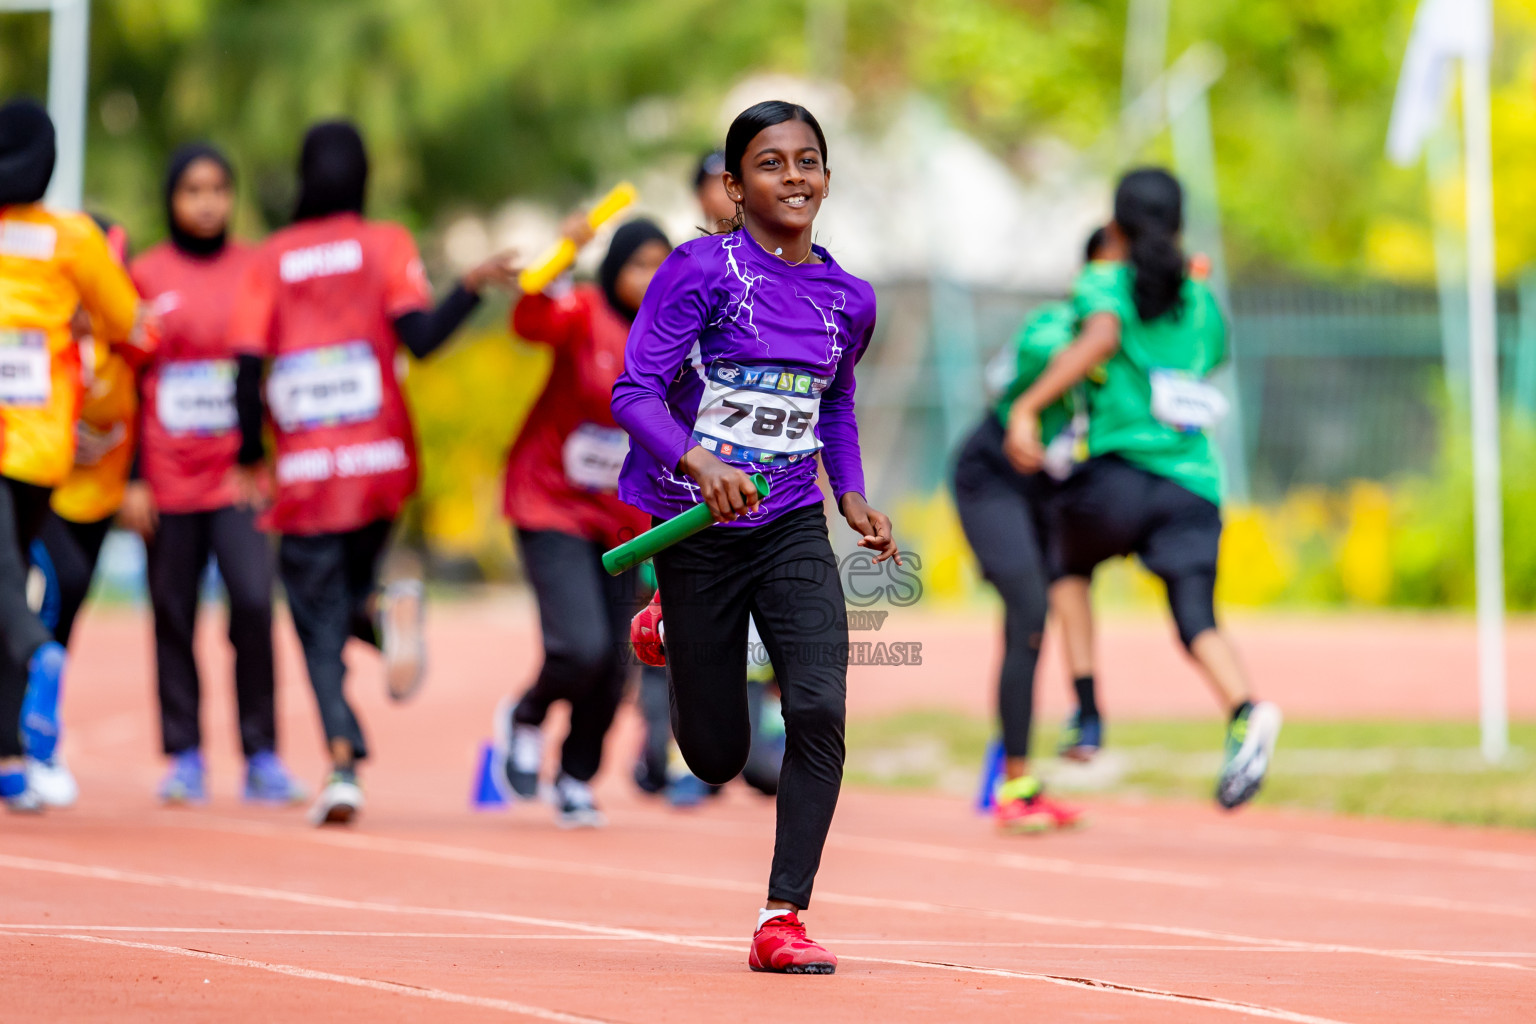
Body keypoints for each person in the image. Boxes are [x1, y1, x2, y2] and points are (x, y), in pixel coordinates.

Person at [613, 100, 896, 974]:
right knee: (714, 756)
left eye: (809, 160)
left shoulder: (848, 299)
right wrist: (699, 463)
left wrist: (849, 492)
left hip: (787, 528)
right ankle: (664, 621)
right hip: (692, 528)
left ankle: (784, 916)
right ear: (735, 187)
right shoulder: (699, 272)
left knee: (817, 707)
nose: (796, 176)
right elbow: (632, 393)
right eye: (772, 164)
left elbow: (835, 401)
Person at [229, 120, 516, 826]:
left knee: (315, 623)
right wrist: (471, 286)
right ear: (362, 177)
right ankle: (385, 617)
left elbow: (244, 363)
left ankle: (341, 760)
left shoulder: (272, 258)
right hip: (381, 464)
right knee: (345, 595)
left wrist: (247, 456)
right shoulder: (385, 244)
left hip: (307, 472)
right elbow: (419, 340)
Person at [1006, 167, 1281, 811]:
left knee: (1065, 563)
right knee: (1197, 620)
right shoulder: (1203, 296)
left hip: (1119, 477)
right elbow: (1208, 358)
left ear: (1116, 226)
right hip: (1194, 485)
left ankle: (1089, 713)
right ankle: (1246, 709)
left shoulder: (1105, 280)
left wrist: (1029, 407)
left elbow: (1099, 338)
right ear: (1180, 223)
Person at [123, 144, 305, 807]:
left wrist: (273, 460)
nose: (206, 201)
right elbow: (131, 381)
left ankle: (261, 754)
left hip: (239, 480)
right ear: (172, 199)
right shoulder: (144, 273)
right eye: (192, 189)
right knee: (172, 613)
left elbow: (275, 371)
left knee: (254, 605)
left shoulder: (257, 270)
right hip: (167, 480)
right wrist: (135, 479)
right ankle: (185, 755)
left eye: (218, 189)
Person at [491, 214, 670, 827]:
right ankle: (527, 715)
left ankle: (574, 776)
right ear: (615, 265)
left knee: (618, 659)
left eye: (660, 265)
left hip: (624, 518)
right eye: (639, 263)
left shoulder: (675, 337)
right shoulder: (582, 310)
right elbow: (529, 321)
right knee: (580, 647)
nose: (649, 277)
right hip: (551, 501)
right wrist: (562, 251)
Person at [0, 99, 146, 812]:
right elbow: (131, 321)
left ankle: (34, 647)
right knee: (9, 567)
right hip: (40, 446)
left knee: (5, 586)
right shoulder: (73, 240)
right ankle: (9, 760)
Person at [955, 228, 1113, 834]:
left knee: (1060, 592)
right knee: (1027, 608)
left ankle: (1058, 733)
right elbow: (1043, 363)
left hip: (1054, 488)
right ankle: (1015, 785)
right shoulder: (1052, 329)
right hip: (993, 477)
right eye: (1110, 274)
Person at [23, 214, 135, 807]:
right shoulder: (36, 327)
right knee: (50, 591)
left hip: (100, 499)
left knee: (62, 618)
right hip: (39, 487)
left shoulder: (127, 347)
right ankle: (34, 742)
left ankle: (35, 731)